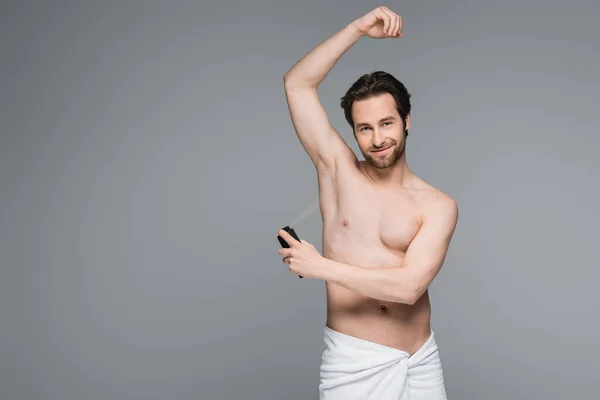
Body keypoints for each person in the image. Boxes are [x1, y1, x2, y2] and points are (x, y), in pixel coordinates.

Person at [277, 5, 458, 400]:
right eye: (365, 128)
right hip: (354, 361)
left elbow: (410, 287)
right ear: (354, 132)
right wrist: (357, 29)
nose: (378, 139)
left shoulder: (438, 205)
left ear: (406, 120)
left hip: (420, 360)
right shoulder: (337, 172)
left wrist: (320, 266)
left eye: (387, 123)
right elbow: (297, 84)